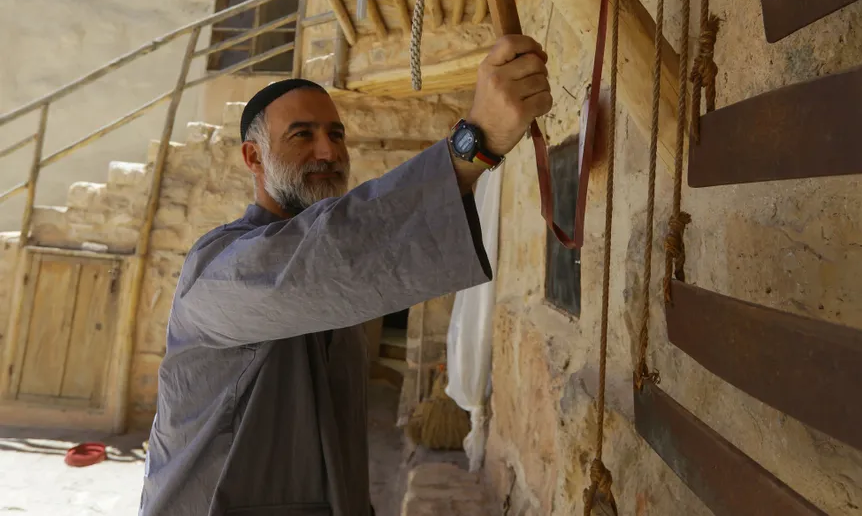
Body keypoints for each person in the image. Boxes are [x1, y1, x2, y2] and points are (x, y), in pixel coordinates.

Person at [138, 35, 552, 516]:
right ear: (253, 158)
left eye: (336, 135)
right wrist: (471, 146)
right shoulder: (217, 269)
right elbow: (325, 255)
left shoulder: (332, 279)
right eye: (302, 135)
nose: (328, 151)